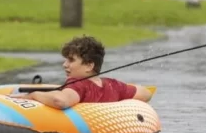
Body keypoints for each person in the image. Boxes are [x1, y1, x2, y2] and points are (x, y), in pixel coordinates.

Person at [13, 35, 153, 109]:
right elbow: (146, 93)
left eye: (71, 60)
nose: (65, 65)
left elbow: (60, 101)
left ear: (89, 66)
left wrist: (33, 95)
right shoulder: (114, 85)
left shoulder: (78, 85)